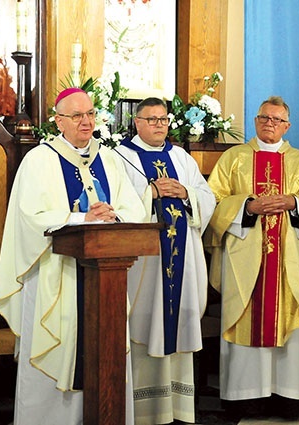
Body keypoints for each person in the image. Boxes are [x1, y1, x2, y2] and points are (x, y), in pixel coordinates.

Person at [0, 88, 146, 425]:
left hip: (105, 275)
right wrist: (80, 219)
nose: (86, 121)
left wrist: (113, 216)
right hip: (56, 275)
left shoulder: (110, 159)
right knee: (56, 351)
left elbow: (134, 209)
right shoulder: (40, 159)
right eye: (76, 116)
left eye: (90, 114)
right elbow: (30, 218)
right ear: (59, 121)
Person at [204, 96, 299, 420]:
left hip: (289, 261)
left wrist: (295, 203)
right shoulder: (233, 159)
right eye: (264, 118)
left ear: (287, 126)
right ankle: (244, 398)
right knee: (245, 319)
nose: (270, 124)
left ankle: (288, 398)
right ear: (255, 121)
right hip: (245, 259)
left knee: (289, 325)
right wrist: (246, 207)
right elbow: (211, 201)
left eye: (277, 120)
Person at [114, 97, 216, 424]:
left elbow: (207, 196)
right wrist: (151, 193)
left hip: (181, 259)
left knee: (175, 323)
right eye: (152, 119)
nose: (159, 124)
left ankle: (178, 409)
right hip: (144, 264)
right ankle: (145, 410)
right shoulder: (120, 157)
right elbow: (115, 201)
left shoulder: (181, 157)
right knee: (144, 320)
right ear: (137, 123)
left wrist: (186, 193)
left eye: (163, 119)